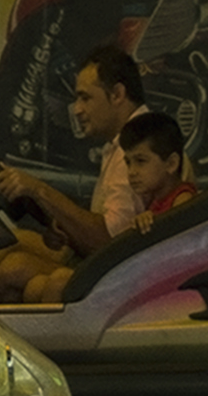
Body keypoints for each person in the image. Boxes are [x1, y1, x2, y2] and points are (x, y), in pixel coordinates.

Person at [0, 43, 149, 302]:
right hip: (108, 265)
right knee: (11, 243)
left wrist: (38, 189)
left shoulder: (137, 148)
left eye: (85, 98)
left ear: (117, 94)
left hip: (119, 276)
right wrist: (66, 228)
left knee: (14, 265)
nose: (76, 109)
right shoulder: (124, 141)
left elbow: (108, 241)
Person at [19, 109, 195, 301]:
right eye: (128, 163)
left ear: (171, 164)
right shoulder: (154, 201)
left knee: (58, 282)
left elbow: (180, 256)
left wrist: (153, 229)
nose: (132, 172)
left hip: (157, 288)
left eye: (140, 161)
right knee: (35, 287)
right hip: (139, 279)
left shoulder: (182, 200)